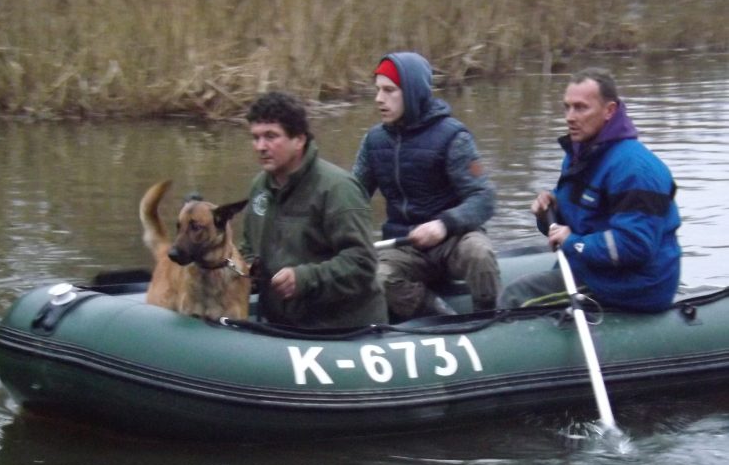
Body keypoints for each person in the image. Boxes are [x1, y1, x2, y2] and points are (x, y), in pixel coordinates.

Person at [498, 68, 681, 312]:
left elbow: (634, 246)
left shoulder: (634, 169)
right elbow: (572, 224)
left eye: (581, 108)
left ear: (609, 111)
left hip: (632, 284)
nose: (570, 117)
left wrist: (572, 242)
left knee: (516, 296)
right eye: (567, 107)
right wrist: (548, 213)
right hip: (596, 269)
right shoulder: (580, 156)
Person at [352, 51, 500, 319]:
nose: (379, 99)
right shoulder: (374, 141)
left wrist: (443, 224)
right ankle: (441, 315)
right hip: (403, 246)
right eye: (377, 90)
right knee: (377, 278)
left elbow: (484, 197)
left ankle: (487, 321)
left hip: (453, 240)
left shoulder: (453, 137)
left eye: (389, 91)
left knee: (480, 253)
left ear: (411, 92)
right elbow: (351, 197)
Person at [240, 91, 387, 328]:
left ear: (299, 140)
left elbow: (363, 263)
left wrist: (304, 279)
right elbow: (249, 247)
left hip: (342, 329)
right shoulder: (259, 187)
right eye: (255, 137)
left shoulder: (337, 189)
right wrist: (244, 268)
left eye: (270, 136)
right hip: (283, 324)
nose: (260, 147)